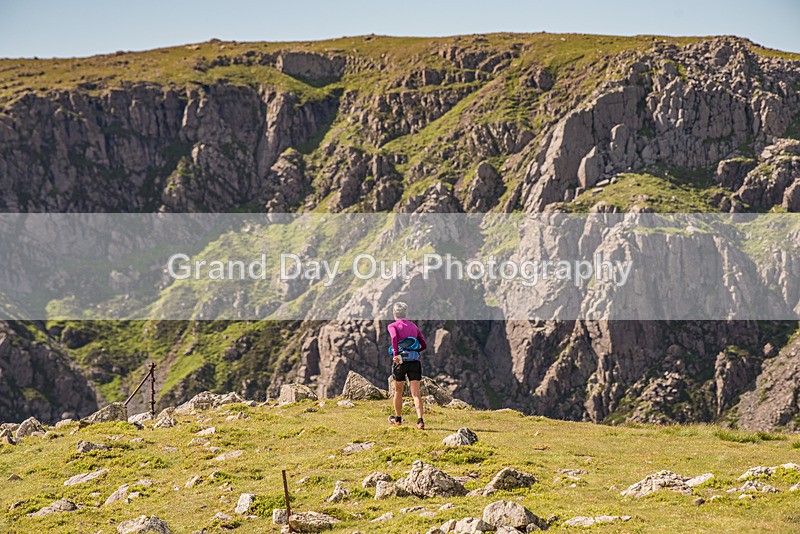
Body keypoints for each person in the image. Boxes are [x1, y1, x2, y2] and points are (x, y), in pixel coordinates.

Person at [387, 301, 427, 429]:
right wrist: (415, 352)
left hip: (400, 360)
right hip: (414, 361)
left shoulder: (392, 326)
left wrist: (396, 354)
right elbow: (423, 344)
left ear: (394, 313)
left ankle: (398, 420)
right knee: (416, 393)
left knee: (398, 390)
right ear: (406, 313)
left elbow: (394, 338)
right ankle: (420, 421)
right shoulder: (413, 327)